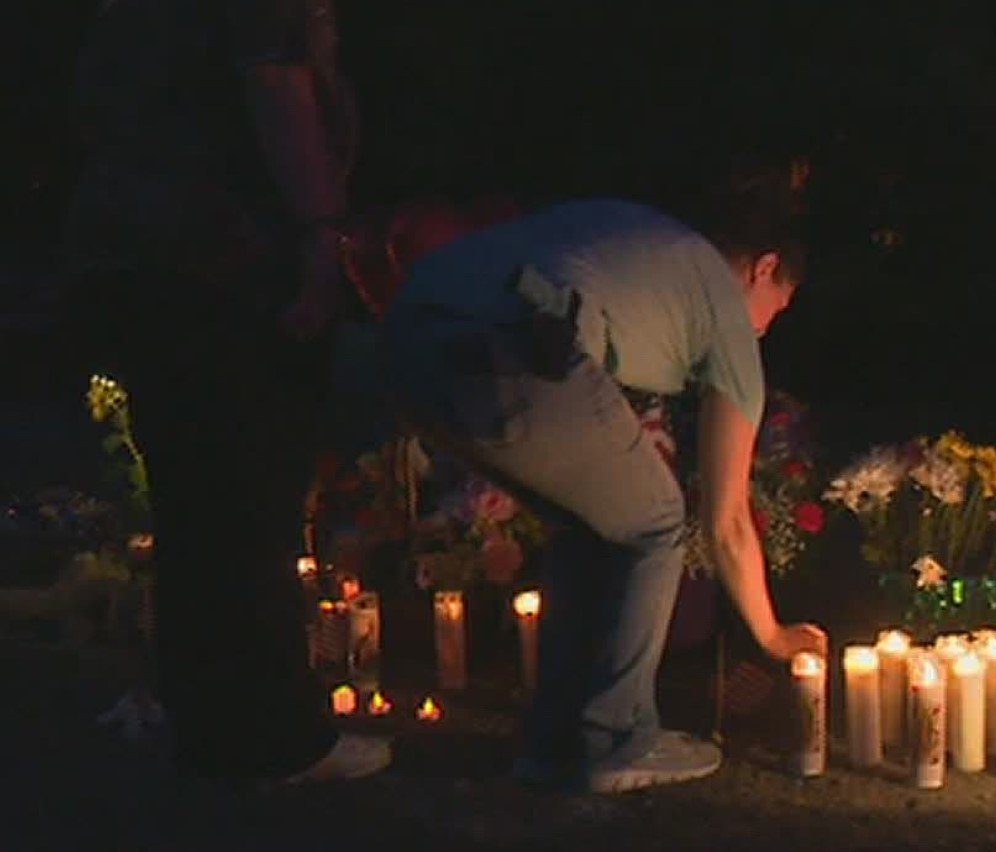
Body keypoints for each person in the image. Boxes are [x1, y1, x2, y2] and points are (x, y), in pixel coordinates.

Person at [380, 187, 828, 794]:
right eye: (777, 308)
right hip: (511, 341)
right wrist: (773, 635)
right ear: (765, 268)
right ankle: (617, 740)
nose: (764, 327)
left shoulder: (644, 239)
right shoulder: (723, 307)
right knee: (655, 522)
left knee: (589, 523)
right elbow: (726, 524)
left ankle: (554, 743)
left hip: (406, 337)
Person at [60, 0, 389, 783]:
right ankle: (268, 732)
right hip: (223, 260)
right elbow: (277, 93)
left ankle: (212, 721)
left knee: (196, 496)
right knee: (245, 488)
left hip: (139, 258)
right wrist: (320, 235)